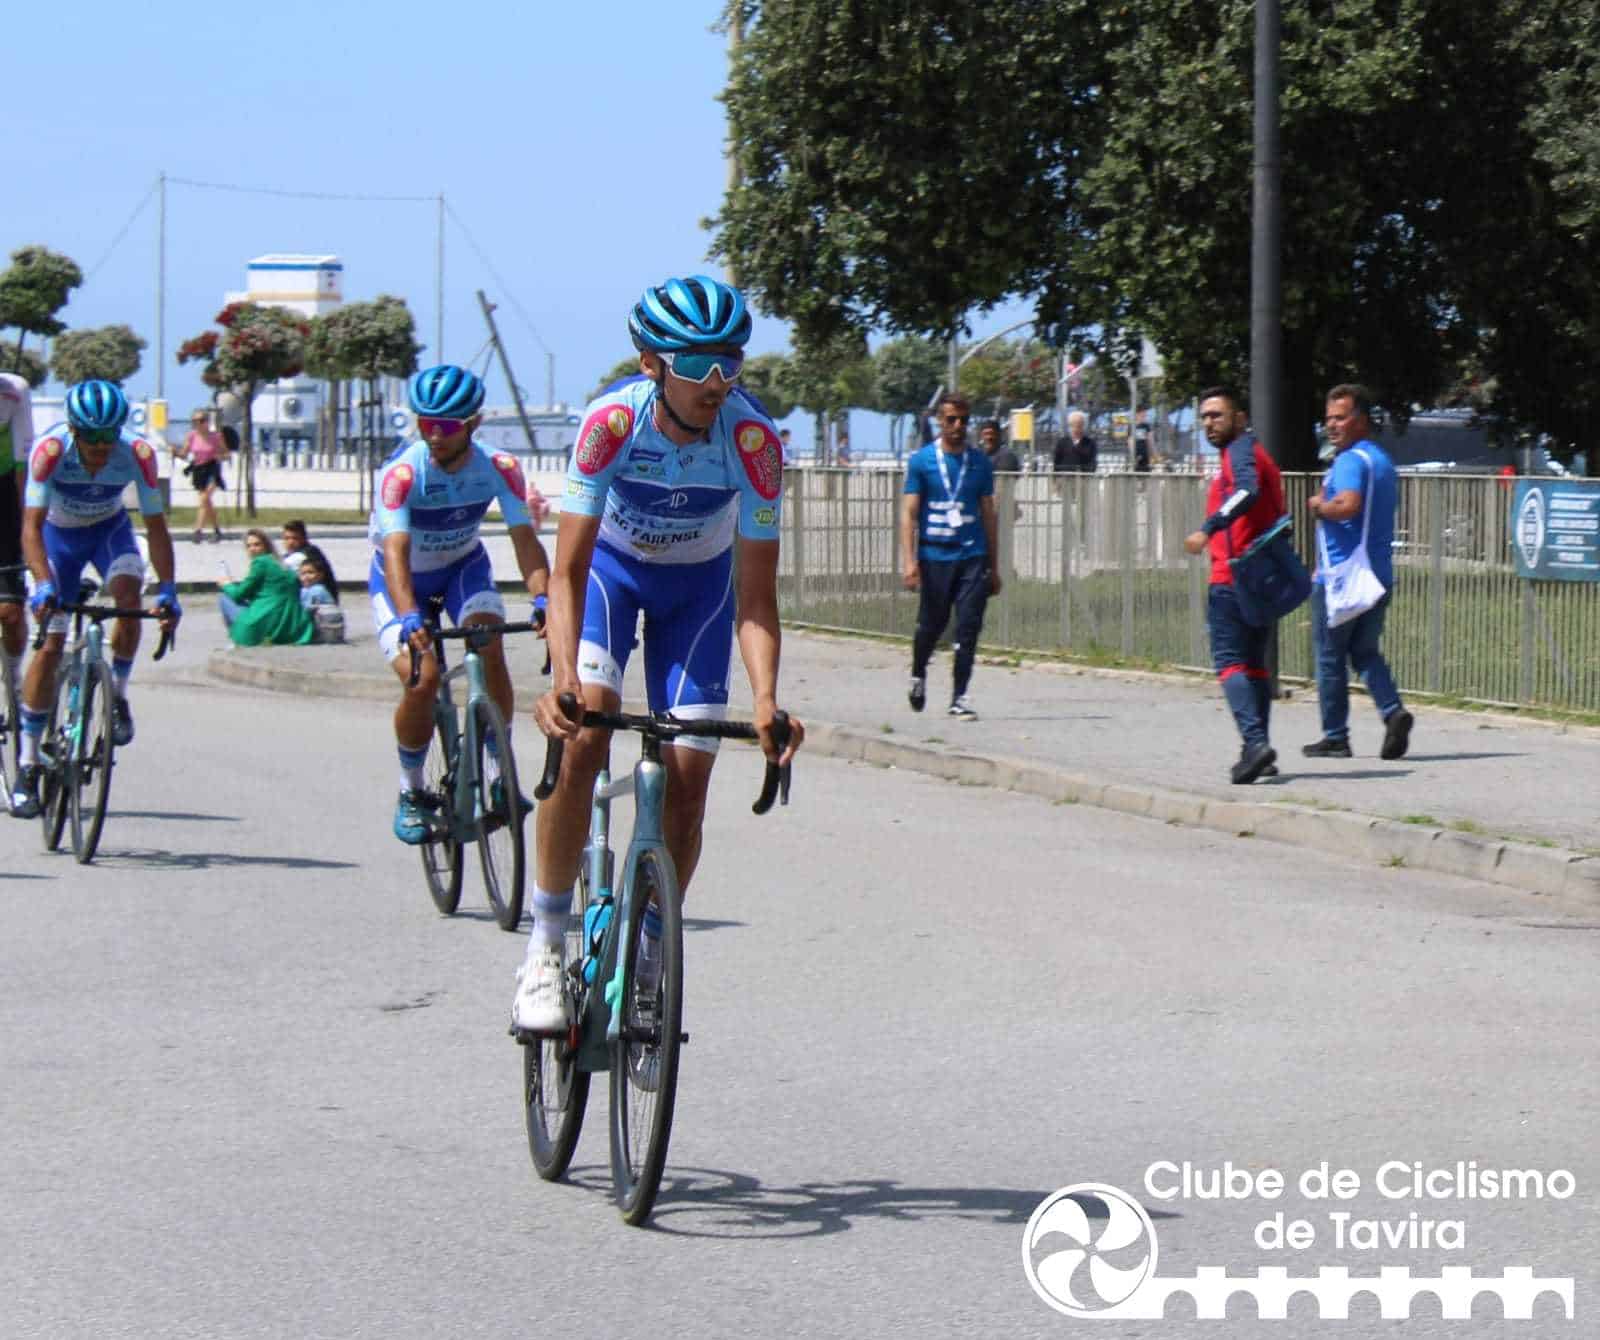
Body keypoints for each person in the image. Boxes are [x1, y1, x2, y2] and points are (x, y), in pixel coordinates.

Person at [515, 274, 806, 1035]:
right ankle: (545, 950)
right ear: (652, 364)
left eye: (731, 363)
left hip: (698, 596)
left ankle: (649, 951)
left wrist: (768, 700)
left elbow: (755, 600)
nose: (719, 383)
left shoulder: (754, 442)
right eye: (698, 365)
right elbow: (569, 572)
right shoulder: (610, 424)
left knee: (688, 776)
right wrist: (566, 677)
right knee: (586, 738)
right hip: (609, 577)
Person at [372, 364, 551, 845]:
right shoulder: (402, 473)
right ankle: (411, 791)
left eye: (445, 426)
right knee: (423, 678)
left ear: (473, 424)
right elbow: (395, 555)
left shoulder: (500, 468)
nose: (433, 435)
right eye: (424, 424)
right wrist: (410, 614)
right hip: (402, 580)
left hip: (462, 569)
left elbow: (524, 539)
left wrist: (543, 598)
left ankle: (499, 772)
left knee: (488, 641)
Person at [10, 381, 180, 816]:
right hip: (57, 539)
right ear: (74, 430)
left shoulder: (138, 454)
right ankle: (28, 764)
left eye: (110, 436)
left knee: (129, 599)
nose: (102, 447)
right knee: (50, 643)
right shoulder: (50, 451)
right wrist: (43, 582)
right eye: (92, 437)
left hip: (110, 532)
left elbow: (157, 528)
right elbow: (29, 527)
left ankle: (118, 695)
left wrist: (168, 588)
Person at [1303, 383, 1413, 760]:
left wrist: (1318, 506)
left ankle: (1335, 737)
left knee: (1329, 655)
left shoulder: (1349, 461)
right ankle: (1393, 711)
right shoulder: (1381, 461)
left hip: (1343, 576)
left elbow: (1348, 505)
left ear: (1361, 420)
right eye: (1328, 418)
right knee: (1364, 651)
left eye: (1341, 417)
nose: (1332, 425)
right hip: (1378, 573)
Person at [1182, 387, 1284, 785]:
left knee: (1229, 662)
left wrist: (1208, 528)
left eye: (1217, 415)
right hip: (1260, 576)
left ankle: (1255, 743)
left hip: (1234, 575)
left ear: (1239, 418)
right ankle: (1257, 751)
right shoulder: (1252, 452)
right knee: (1255, 666)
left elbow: (1247, 491)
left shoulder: (1241, 451)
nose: (1209, 423)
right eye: (1204, 416)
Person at [900, 392, 1000, 721]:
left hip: (972, 556)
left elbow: (988, 514)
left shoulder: (980, 463)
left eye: (963, 420)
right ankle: (918, 673)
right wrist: (910, 561)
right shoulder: (922, 461)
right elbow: (909, 514)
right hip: (934, 556)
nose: (957, 426)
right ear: (940, 422)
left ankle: (959, 697)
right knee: (932, 624)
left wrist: (994, 565)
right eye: (951, 420)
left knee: (968, 626)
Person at [0, 373, 36, 686]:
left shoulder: (14, 391)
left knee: (10, 612)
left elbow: (24, 470)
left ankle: (12, 680)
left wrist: (30, 533)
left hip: (4, 498)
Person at [219, 530, 314, 646]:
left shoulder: (260, 562)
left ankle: (237, 638)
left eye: (257, 544)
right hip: (292, 627)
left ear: (266, 546)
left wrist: (226, 584)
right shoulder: (283, 564)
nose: (252, 549)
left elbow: (239, 595)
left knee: (225, 598)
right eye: (248, 546)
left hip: (267, 622)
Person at [174, 409, 230, 543]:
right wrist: (175, 452)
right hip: (199, 470)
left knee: (204, 499)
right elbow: (184, 454)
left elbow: (227, 454)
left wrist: (219, 456)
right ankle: (217, 530)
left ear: (207, 422)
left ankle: (197, 531)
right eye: (195, 421)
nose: (198, 423)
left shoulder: (216, 436)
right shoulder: (192, 436)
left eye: (201, 420)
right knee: (207, 502)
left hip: (212, 469)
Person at [1052, 410, 1098, 474]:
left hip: (1083, 480)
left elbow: (1093, 463)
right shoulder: (1061, 443)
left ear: (1083, 426)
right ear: (1069, 425)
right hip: (1065, 479)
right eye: (1073, 425)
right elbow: (1056, 462)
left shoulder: (1090, 443)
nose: (1076, 428)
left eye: (1079, 425)